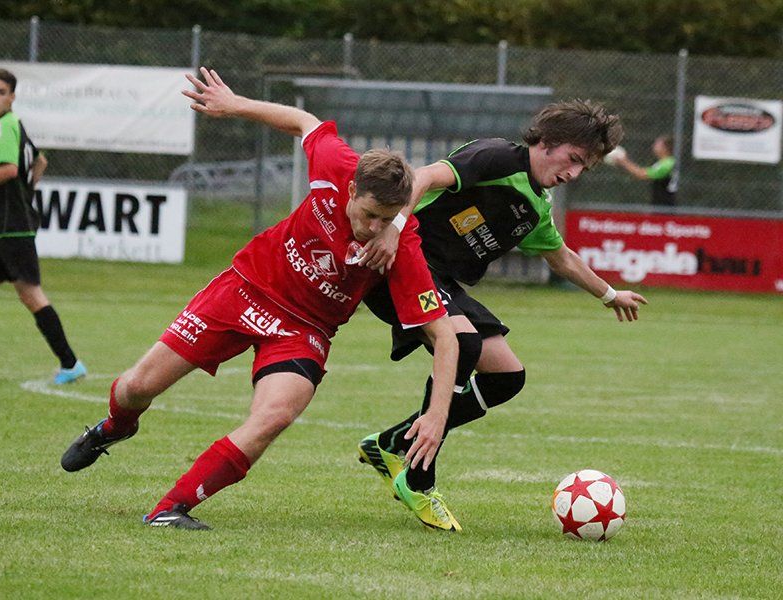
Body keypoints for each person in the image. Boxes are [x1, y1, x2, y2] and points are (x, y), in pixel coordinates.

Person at [60, 67, 461, 531]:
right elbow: (305, 121)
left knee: (275, 416)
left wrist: (436, 417)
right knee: (136, 387)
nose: (374, 228)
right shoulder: (335, 165)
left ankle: (169, 509)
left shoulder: (400, 244)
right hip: (245, 290)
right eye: (369, 214)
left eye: (386, 220)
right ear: (352, 189)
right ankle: (115, 427)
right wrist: (235, 105)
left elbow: (444, 336)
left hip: (304, 330)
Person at [355, 99, 648, 530]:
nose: (573, 173)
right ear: (547, 141)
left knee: (507, 376)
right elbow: (423, 177)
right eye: (573, 159)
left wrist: (609, 294)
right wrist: (394, 232)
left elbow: (561, 258)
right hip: (404, 264)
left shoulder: (537, 206)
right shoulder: (495, 157)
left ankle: (391, 443)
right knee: (464, 343)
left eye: (583, 168)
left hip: (442, 283)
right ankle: (418, 480)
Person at [0, 68, 86, 384]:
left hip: (12, 227)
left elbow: (10, 169)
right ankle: (70, 363)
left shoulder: (5, 127)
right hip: (6, 227)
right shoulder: (13, 125)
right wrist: (26, 193)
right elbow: (40, 161)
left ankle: (70, 363)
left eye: (1, 92)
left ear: (12, 97)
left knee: (31, 295)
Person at [612, 134, 676, 207]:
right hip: (661, 204)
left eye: (657, 144)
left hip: (665, 206)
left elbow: (641, 174)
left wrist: (624, 161)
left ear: (665, 148)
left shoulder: (667, 163)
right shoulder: (664, 162)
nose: (653, 146)